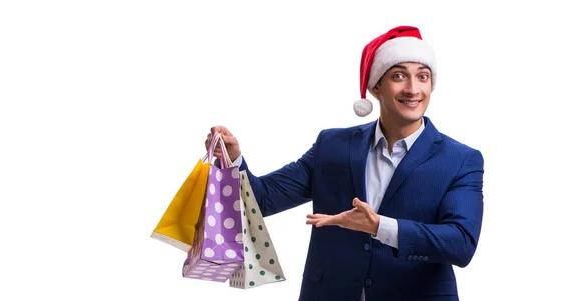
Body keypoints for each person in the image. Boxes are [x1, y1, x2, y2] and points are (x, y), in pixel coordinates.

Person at [205, 25, 484, 301]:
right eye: (399, 76)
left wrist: (379, 226)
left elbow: (460, 244)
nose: (412, 89)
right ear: (376, 86)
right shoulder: (333, 146)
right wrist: (232, 161)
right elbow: (261, 201)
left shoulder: (460, 159)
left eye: (422, 77)